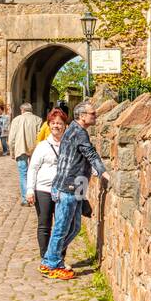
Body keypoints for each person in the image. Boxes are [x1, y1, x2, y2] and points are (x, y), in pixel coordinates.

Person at [42, 101, 107, 281]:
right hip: (68, 186)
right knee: (61, 228)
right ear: (82, 116)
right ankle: (50, 263)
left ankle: (52, 258)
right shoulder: (78, 132)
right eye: (92, 113)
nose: (95, 116)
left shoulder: (74, 130)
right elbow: (90, 154)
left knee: (75, 227)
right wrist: (104, 172)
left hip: (78, 185)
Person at [26, 108, 67, 265]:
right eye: (53, 123)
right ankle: (45, 257)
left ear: (65, 125)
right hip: (43, 190)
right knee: (44, 225)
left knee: (62, 226)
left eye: (60, 123)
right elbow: (33, 168)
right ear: (49, 125)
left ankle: (58, 257)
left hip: (62, 190)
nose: (56, 126)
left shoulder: (68, 145)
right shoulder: (42, 146)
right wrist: (30, 190)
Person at [6, 101, 42, 206]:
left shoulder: (16, 120)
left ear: (22, 110)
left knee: (23, 174)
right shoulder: (38, 119)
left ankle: (26, 199)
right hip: (35, 150)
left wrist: (12, 152)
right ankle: (35, 196)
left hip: (20, 149)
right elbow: (39, 137)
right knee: (34, 172)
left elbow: (11, 138)